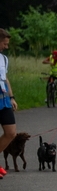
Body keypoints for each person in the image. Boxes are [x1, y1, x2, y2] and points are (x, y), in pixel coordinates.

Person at [0, 29, 17, 179]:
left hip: (3, 99)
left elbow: (5, 78)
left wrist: (11, 97)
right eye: (4, 44)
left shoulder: (4, 59)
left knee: (11, 132)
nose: (6, 46)